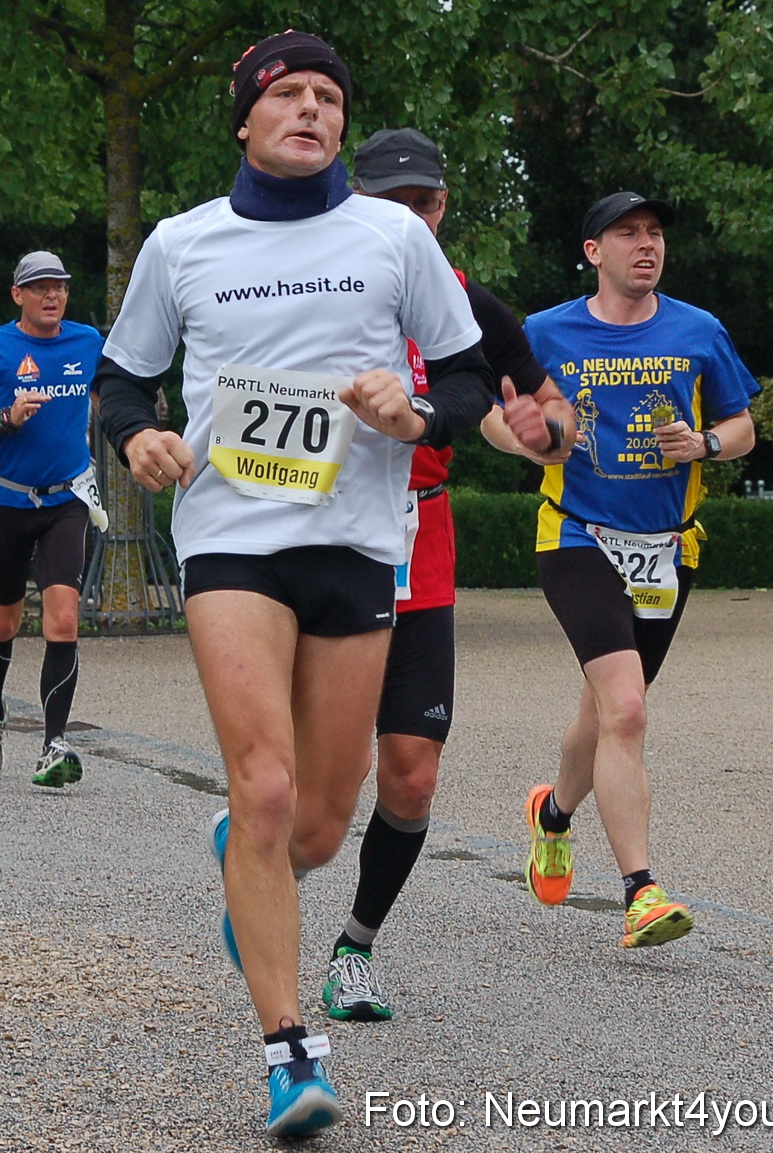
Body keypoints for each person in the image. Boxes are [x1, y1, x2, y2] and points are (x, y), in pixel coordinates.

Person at [93, 32, 559, 1137]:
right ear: (246, 122)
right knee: (259, 789)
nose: (311, 110)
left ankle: (249, 861)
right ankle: (290, 1053)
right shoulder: (182, 242)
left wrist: (417, 416)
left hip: (357, 542)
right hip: (233, 540)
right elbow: (122, 378)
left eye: (328, 97)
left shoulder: (394, 236)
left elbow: (460, 375)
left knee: (314, 825)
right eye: (287, 95)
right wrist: (139, 438)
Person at [308, 128, 578, 1022]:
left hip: (420, 545)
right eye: (388, 204)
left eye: (420, 204)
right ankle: (261, 864)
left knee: (413, 776)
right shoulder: (306, 286)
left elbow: (528, 403)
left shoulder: (466, 304)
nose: (407, 220)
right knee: (320, 780)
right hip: (323, 540)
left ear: (442, 206)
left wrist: (550, 433)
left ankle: (355, 947)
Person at [519, 191, 758, 948]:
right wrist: (534, 435)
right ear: (594, 251)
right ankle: (641, 890)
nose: (647, 245)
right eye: (628, 233)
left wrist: (706, 446)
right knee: (626, 708)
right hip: (578, 537)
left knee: (603, 712)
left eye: (654, 233)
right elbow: (505, 412)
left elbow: (742, 424)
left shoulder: (699, 331)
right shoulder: (544, 332)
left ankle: (552, 813)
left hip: (666, 549)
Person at [0, 252, 104, 786]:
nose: (51, 296)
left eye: (58, 286)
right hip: (8, 501)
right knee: (3, 622)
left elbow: (112, 396)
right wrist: (2, 419)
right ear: (18, 295)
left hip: (66, 498)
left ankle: (53, 745)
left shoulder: (87, 342)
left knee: (63, 618)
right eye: (39, 288)